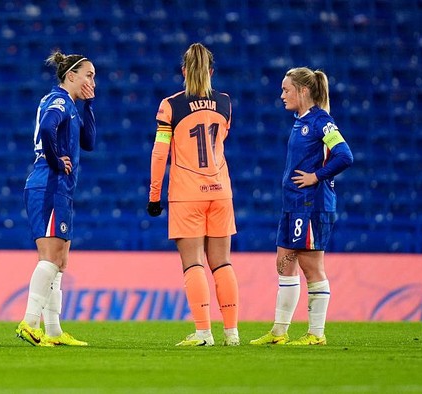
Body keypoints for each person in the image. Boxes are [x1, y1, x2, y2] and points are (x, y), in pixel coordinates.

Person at [250, 67, 353, 346]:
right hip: (294, 205)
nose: (282, 95)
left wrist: (316, 176)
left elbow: (345, 155)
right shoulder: (301, 120)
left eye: (286, 90)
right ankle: (279, 332)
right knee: (284, 264)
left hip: (312, 205)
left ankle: (316, 334)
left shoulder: (322, 122)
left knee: (311, 267)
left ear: (303, 91)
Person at [148, 43, 240, 346]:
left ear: (184, 70)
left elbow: (160, 153)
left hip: (188, 193)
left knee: (193, 263)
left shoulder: (170, 105)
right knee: (222, 262)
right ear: (211, 71)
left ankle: (203, 333)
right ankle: (232, 333)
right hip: (221, 192)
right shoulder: (226, 103)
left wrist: (154, 195)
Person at [15, 51, 96, 347]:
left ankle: (53, 332)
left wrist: (89, 104)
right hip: (48, 185)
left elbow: (89, 142)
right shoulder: (59, 100)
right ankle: (29, 321)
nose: (92, 81)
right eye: (88, 74)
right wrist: (54, 160)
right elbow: (48, 128)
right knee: (50, 259)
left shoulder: (72, 105)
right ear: (71, 76)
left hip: (61, 189)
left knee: (59, 262)